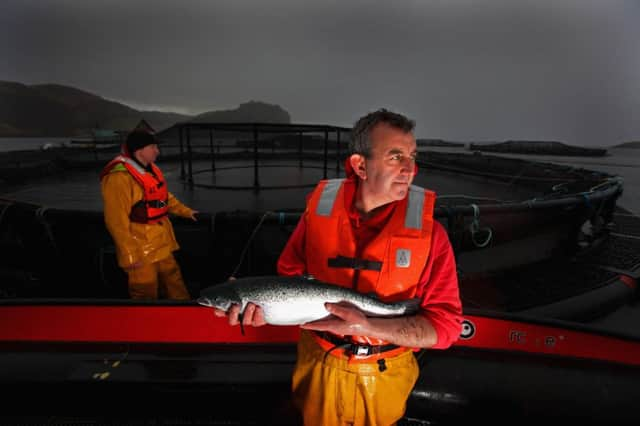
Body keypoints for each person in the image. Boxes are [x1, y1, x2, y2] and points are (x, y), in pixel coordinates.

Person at [215, 109, 463, 425]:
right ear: (360, 165)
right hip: (317, 363)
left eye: (412, 157)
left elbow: (446, 328)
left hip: (385, 376)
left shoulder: (433, 236)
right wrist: (265, 308)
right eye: (395, 157)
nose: (410, 169)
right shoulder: (316, 216)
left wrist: (368, 327)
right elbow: (290, 279)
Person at [100, 130, 198, 300]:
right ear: (139, 151)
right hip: (139, 247)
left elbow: (163, 198)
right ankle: (147, 322)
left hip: (161, 241)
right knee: (145, 289)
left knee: (173, 279)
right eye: (153, 147)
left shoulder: (151, 170)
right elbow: (116, 220)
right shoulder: (119, 178)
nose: (157, 151)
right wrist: (129, 255)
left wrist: (187, 212)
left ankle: (184, 312)